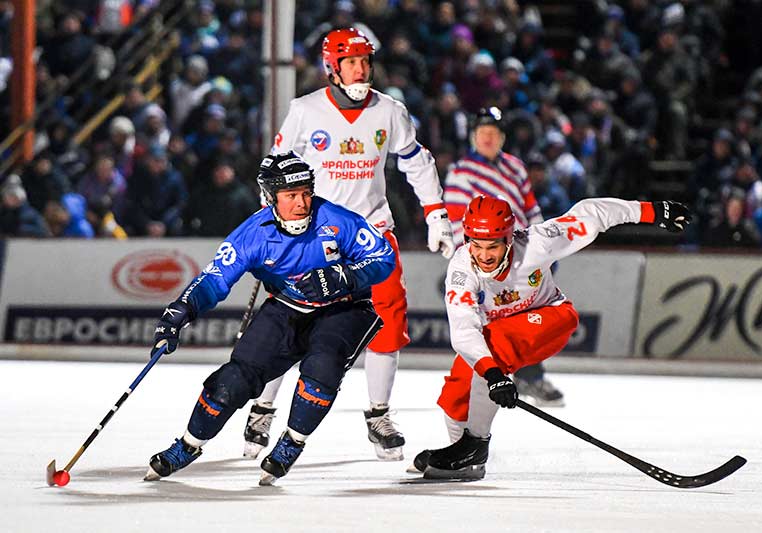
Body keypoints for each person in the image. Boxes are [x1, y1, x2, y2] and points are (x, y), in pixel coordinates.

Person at [242, 27, 454, 462]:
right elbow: (274, 167)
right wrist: (272, 217)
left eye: (365, 61)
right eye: (351, 62)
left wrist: (436, 213)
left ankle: (378, 415)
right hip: (311, 232)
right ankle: (264, 408)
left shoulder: (390, 111)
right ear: (331, 68)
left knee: (388, 321)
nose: (360, 70)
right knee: (288, 322)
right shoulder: (304, 110)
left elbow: (417, 162)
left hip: (372, 233)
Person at [144, 152, 395, 485]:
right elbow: (215, 279)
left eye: (306, 192)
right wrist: (180, 312)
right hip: (289, 306)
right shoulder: (252, 234)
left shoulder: (336, 219)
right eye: (291, 196)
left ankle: (291, 443)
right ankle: (188, 446)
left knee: (321, 369)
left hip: (344, 308)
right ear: (271, 198)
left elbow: (383, 257)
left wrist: (343, 275)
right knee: (231, 381)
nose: (302, 203)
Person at [411, 195, 691, 480]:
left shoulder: (537, 243)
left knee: (491, 349)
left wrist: (650, 211)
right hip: (501, 335)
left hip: (551, 319)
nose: (483, 256)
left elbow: (590, 214)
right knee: (460, 384)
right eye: (477, 245)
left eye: (493, 246)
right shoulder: (461, 270)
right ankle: (464, 457)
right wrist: (493, 374)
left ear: (508, 240)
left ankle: (476, 445)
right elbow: (463, 330)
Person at [443, 106, 564, 407]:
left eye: (493, 133)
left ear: (502, 137)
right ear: (473, 136)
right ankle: (486, 380)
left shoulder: (516, 168)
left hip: (521, 256)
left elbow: (532, 210)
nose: (487, 138)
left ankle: (531, 377)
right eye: (482, 133)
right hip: (488, 262)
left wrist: (544, 251)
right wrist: (477, 261)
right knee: (490, 325)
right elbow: (458, 221)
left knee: (527, 320)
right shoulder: (461, 171)